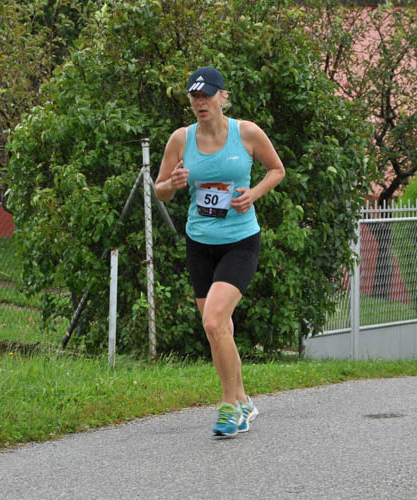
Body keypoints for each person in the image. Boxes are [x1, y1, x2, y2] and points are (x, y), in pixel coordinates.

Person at [154, 67, 285, 438]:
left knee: (212, 322)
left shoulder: (247, 133)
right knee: (220, 328)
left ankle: (229, 408)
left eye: (207, 95)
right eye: (194, 96)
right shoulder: (181, 139)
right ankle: (243, 400)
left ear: (223, 97)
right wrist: (172, 184)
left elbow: (277, 170)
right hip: (199, 244)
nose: (200, 102)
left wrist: (253, 194)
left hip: (240, 241)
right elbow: (159, 189)